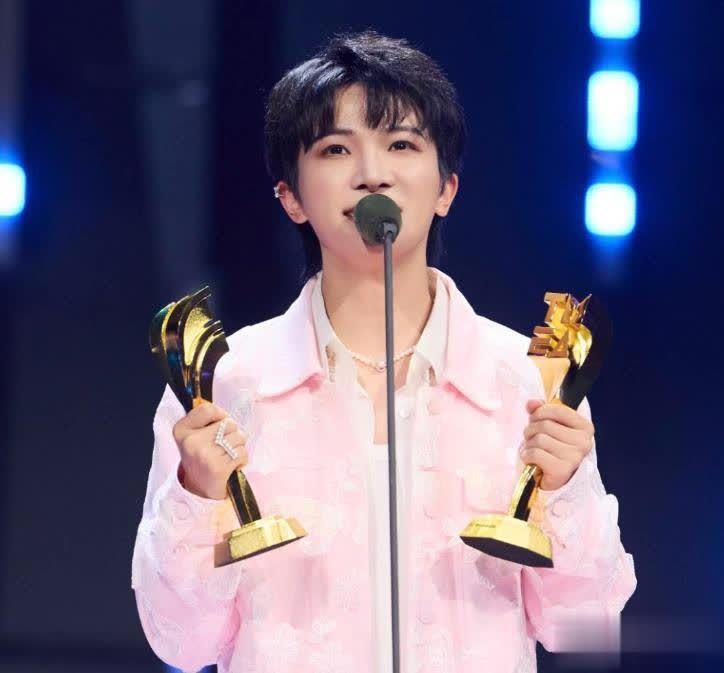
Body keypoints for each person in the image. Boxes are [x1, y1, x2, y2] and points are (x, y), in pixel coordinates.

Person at [132, 31, 636, 673]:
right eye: (336, 149)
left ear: (446, 188)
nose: (372, 172)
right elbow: (181, 643)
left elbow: (585, 630)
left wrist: (565, 491)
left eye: (401, 144)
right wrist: (197, 495)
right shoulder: (225, 385)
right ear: (291, 198)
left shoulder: (528, 383)